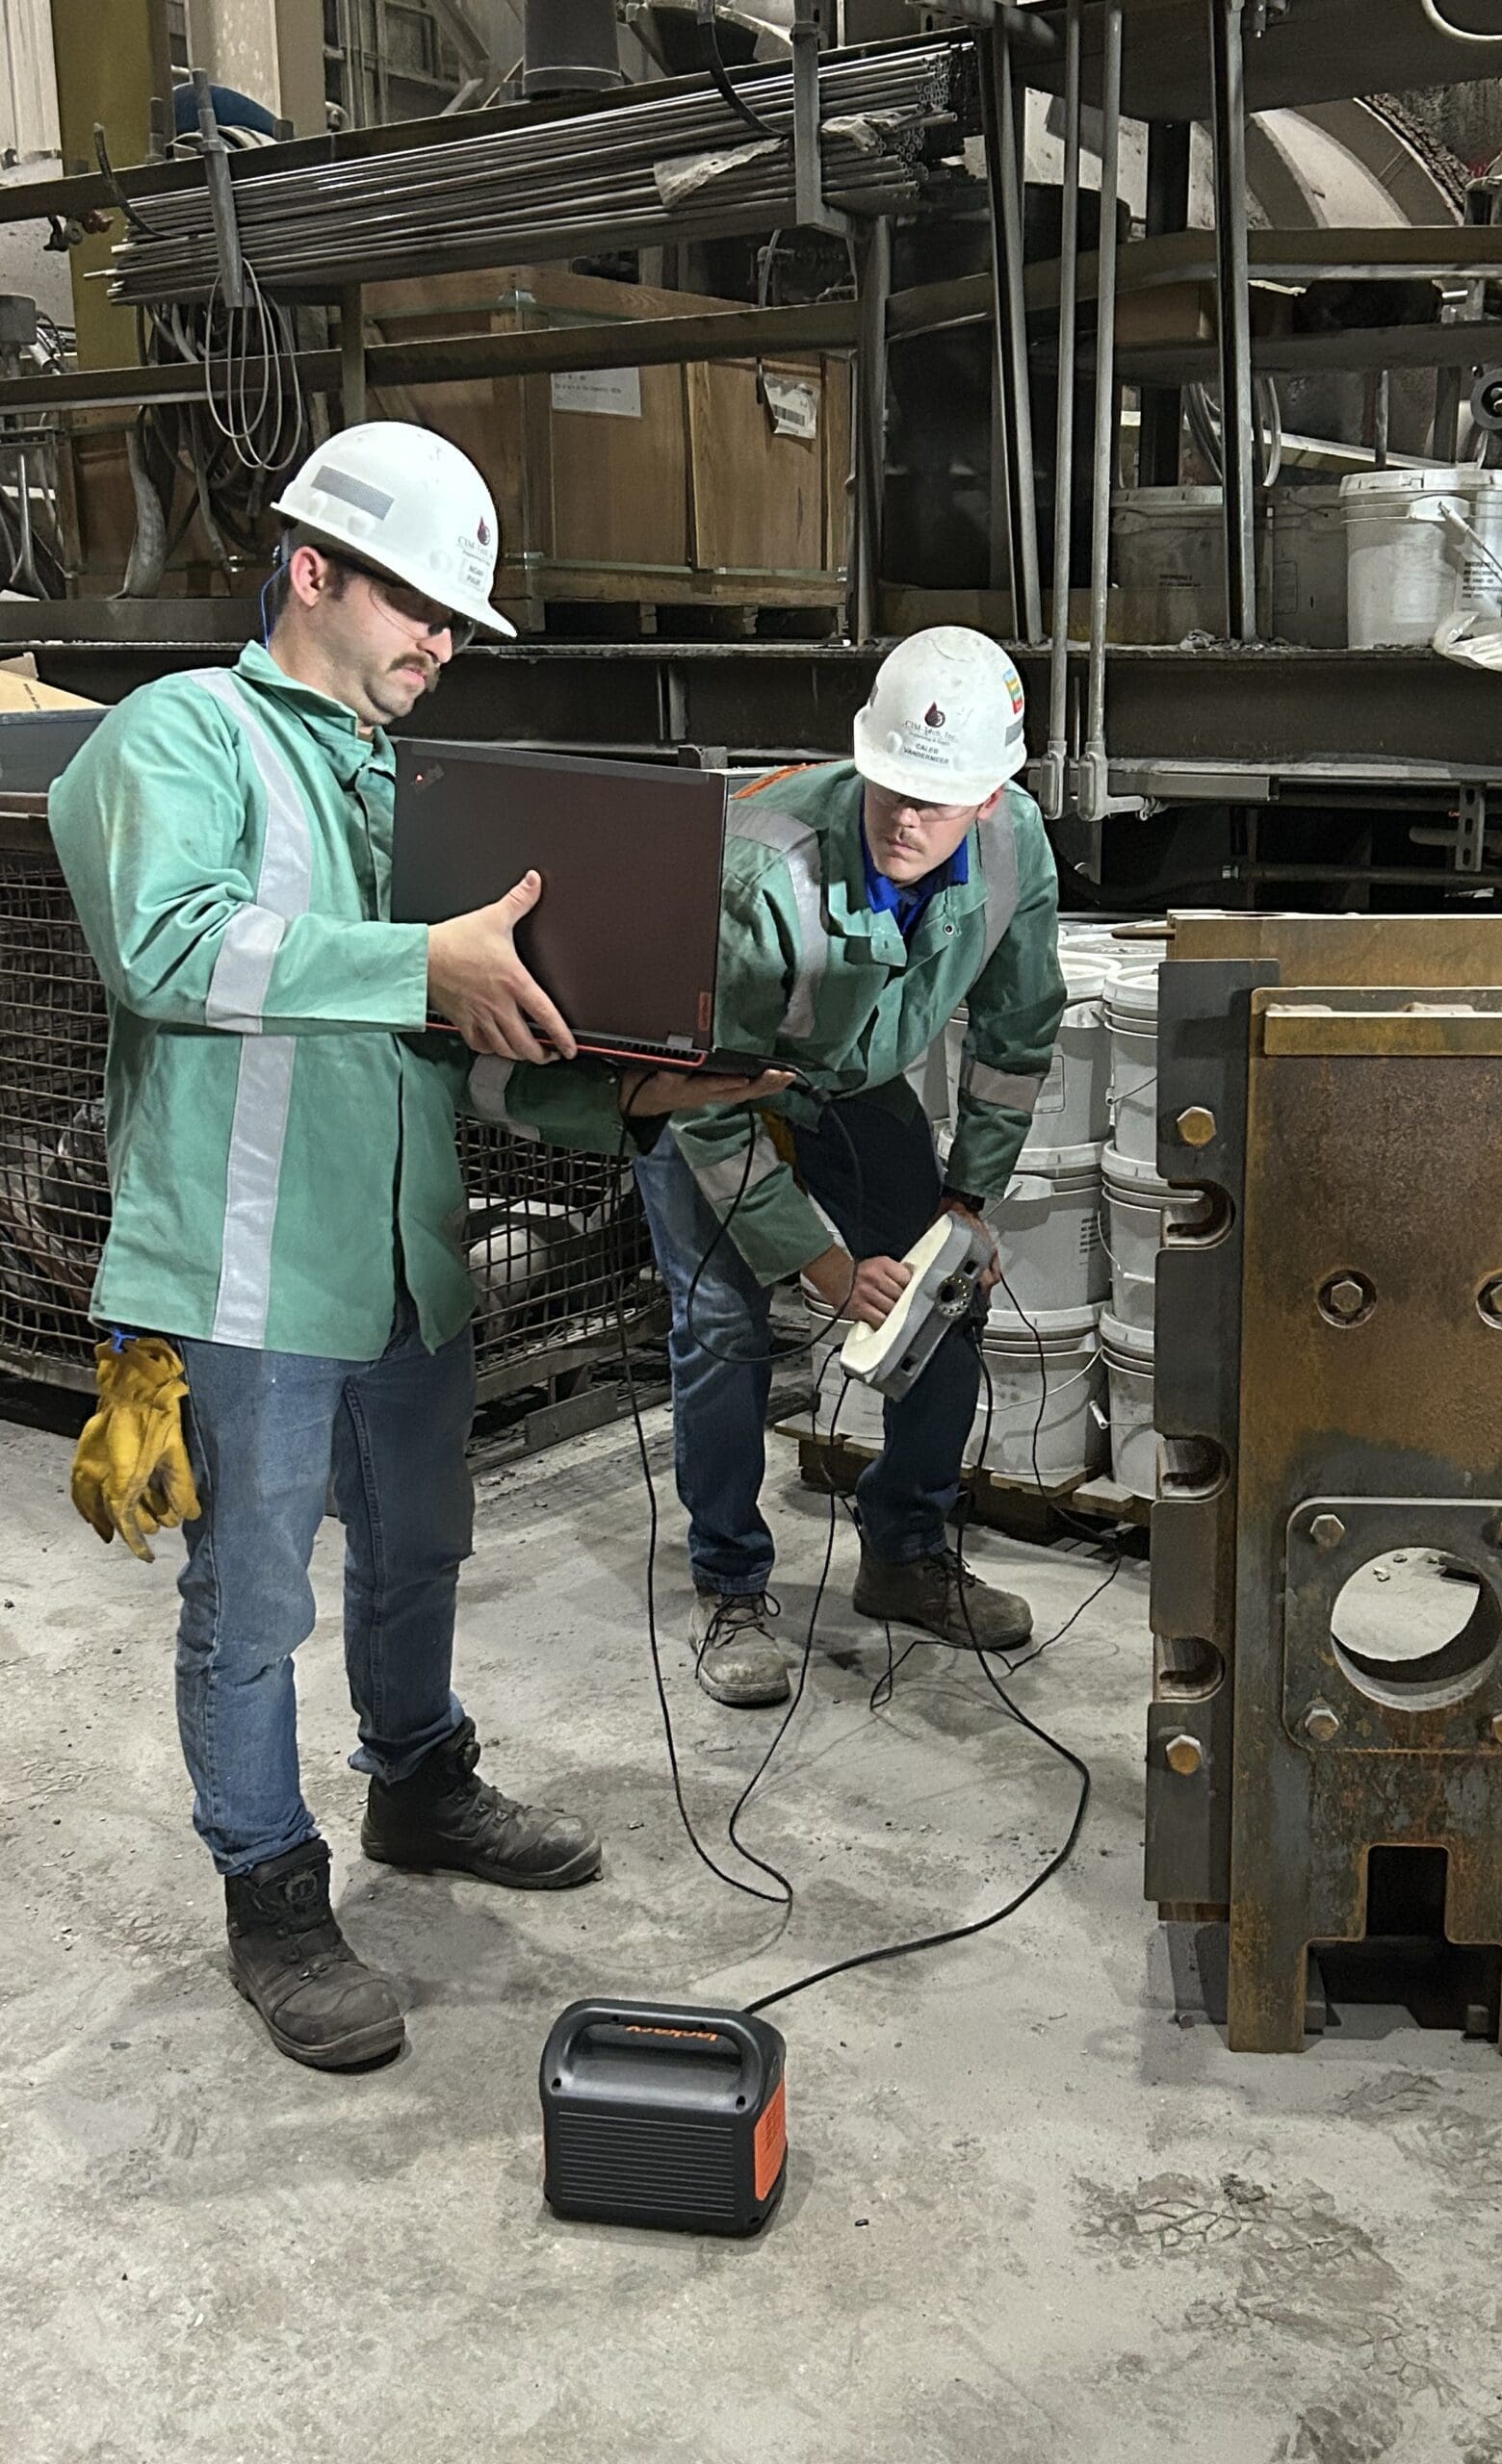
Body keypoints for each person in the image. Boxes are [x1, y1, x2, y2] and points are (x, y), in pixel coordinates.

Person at [49, 420, 776, 2072]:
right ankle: (271, 1888)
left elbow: (443, 1035)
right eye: (418, 609)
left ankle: (418, 1783)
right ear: (311, 570)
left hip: (399, 1261)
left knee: (421, 1551)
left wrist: (628, 1094)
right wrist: (420, 963)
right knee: (249, 1609)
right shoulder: (182, 738)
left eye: (457, 623)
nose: (440, 646)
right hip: (237, 1277)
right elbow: (165, 949)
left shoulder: (407, 784)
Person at [632, 625, 1067, 1710]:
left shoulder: (1013, 844)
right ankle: (730, 1582)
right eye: (888, 790)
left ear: (990, 794)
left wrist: (967, 1198)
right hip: (718, 1087)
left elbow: (1017, 1033)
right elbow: (709, 1120)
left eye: (938, 799)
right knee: (726, 1325)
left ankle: (905, 1550)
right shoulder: (759, 874)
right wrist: (825, 1267)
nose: (907, 818)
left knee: (944, 1295)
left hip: (849, 1072)